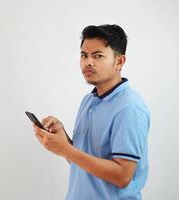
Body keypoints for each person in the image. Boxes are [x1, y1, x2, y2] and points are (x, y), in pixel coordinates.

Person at [32, 24, 150, 200]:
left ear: (119, 61)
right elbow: (79, 161)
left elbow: (123, 176)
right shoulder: (89, 100)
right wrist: (63, 140)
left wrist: (66, 150)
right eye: (84, 55)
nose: (88, 62)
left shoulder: (129, 107)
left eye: (98, 56)